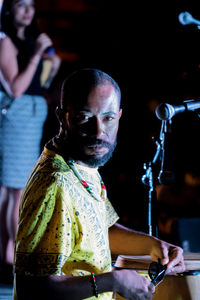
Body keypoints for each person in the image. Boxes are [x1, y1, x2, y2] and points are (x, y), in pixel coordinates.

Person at [14, 68, 185, 300]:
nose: (98, 131)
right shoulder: (55, 184)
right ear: (62, 117)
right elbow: (31, 287)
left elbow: (100, 230)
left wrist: (155, 246)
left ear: (120, 116)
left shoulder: (83, 163)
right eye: (85, 118)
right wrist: (112, 281)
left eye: (108, 118)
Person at [0, 0, 61, 276]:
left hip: (31, 115)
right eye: (21, 5)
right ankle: (16, 256)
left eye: (31, 5)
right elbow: (15, 88)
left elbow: (40, 84)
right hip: (17, 116)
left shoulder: (31, 40)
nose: (28, 11)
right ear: (9, 9)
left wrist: (49, 66)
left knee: (12, 189)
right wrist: (37, 55)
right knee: (16, 188)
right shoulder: (6, 42)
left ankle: (8, 256)